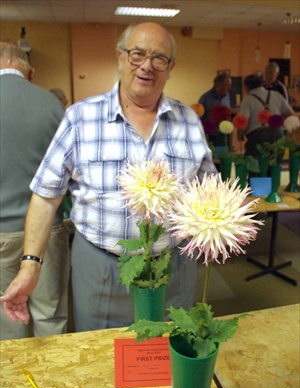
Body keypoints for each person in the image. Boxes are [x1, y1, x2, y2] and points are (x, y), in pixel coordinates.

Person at [0, 23, 217, 332]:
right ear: (120, 57)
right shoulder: (81, 118)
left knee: (165, 352)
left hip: (174, 267)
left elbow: (209, 192)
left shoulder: (189, 122)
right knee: (101, 357)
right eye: (137, 54)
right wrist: (29, 266)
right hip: (102, 268)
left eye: (159, 58)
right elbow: (46, 197)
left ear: (170, 68)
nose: (146, 66)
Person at [0, 43, 70, 340]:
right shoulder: (51, 104)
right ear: (29, 69)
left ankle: (16, 383)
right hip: (47, 233)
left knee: (8, 318)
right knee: (50, 315)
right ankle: (54, 382)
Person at [238, 74, 293, 157]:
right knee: (275, 166)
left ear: (247, 87)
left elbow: (243, 121)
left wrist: (240, 134)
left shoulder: (247, 100)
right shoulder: (276, 95)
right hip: (278, 135)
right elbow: (290, 114)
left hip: (257, 136)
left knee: (255, 166)